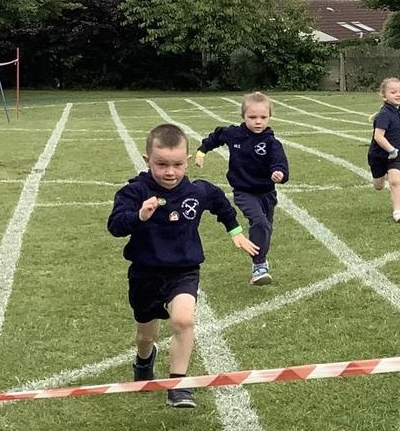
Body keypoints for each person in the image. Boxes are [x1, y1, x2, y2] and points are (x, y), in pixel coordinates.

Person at [107, 124, 259, 408]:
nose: (170, 172)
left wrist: (235, 230)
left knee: (184, 320)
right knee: (146, 335)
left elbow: (221, 204)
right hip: (145, 273)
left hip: (183, 271)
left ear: (187, 161)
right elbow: (115, 226)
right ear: (147, 160)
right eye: (161, 164)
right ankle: (144, 360)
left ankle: (179, 385)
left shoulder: (197, 191)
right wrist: (139, 216)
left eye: (177, 165)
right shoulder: (135, 191)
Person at [195, 92, 289, 286]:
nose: (258, 121)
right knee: (260, 222)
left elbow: (279, 162)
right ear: (243, 116)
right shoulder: (234, 134)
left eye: (263, 117)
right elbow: (218, 135)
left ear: (269, 117)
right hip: (244, 192)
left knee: (265, 227)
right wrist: (203, 150)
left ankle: (261, 259)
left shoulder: (271, 143)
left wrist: (279, 173)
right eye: (252, 117)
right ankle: (259, 266)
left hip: (267, 194)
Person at [368, 77, 400, 223]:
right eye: (393, 92)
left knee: (395, 181)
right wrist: (391, 149)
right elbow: (378, 136)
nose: (398, 94)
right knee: (378, 186)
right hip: (379, 155)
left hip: (395, 155)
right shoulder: (384, 114)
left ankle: (397, 212)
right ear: (384, 96)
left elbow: (397, 128)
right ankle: (382, 176)